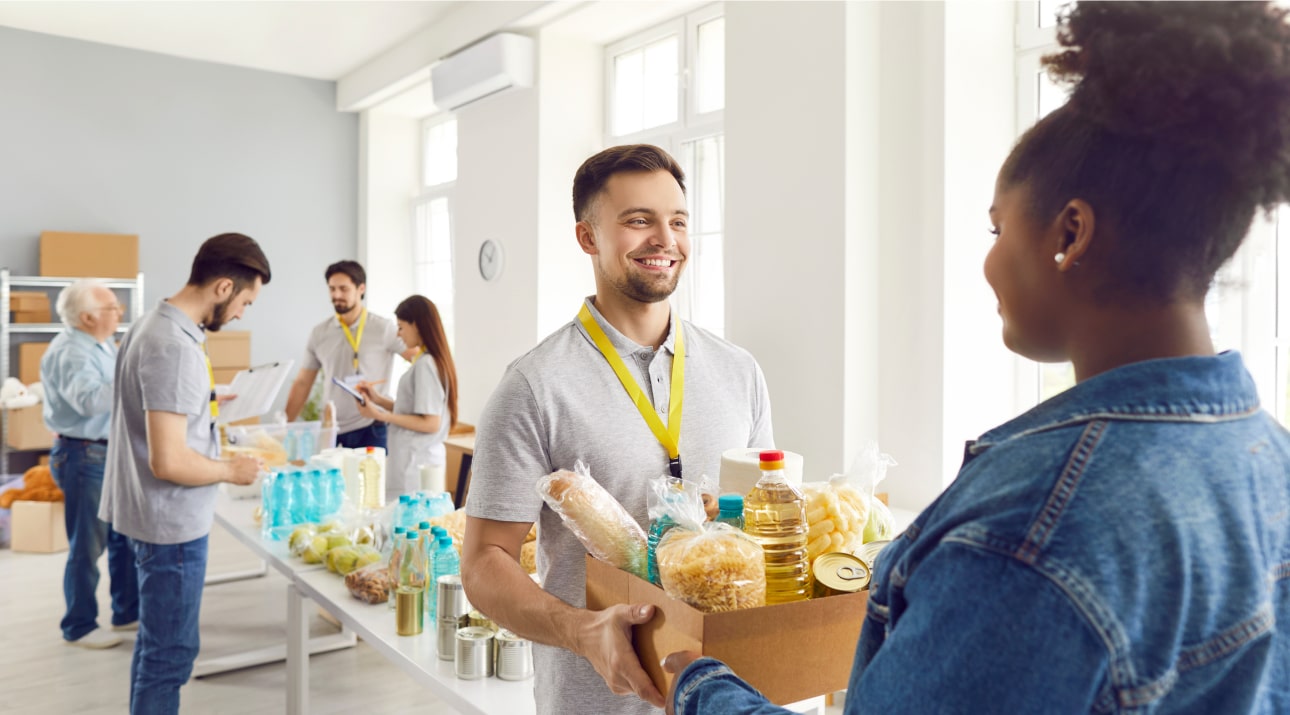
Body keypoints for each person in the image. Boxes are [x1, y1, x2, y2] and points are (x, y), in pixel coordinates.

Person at [663, 3, 1290, 714]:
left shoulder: (1027, 530)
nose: (989, 261)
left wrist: (697, 682)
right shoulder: (1272, 461)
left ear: (1071, 233)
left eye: (997, 227)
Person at [462, 144, 775, 715]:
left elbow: (763, 521)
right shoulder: (534, 385)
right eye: (639, 221)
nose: (665, 239)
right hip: (595, 701)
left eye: (678, 221)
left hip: (732, 695)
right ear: (588, 237)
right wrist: (581, 630)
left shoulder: (740, 371)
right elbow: (484, 563)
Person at [99, 233, 270, 714]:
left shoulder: (154, 323)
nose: (241, 314)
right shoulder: (174, 346)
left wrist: (208, 399)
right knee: (170, 657)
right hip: (170, 527)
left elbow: (156, 408)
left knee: (156, 648)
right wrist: (232, 471)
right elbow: (169, 461)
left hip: (148, 516)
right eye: (244, 301)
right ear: (221, 287)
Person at [40, 278, 138, 649]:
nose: (119, 313)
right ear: (87, 316)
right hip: (85, 455)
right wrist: (137, 377)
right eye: (112, 307)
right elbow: (91, 401)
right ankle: (79, 625)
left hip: (105, 453)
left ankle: (126, 613)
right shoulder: (71, 351)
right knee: (87, 546)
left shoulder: (99, 345)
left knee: (121, 538)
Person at [284, 260, 413, 451]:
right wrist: (284, 426)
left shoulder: (383, 328)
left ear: (361, 288)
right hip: (333, 428)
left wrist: (416, 407)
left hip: (372, 426)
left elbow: (420, 360)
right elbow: (303, 383)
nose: (336, 295)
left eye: (343, 289)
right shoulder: (319, 333)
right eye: (332, 289)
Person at [354, 294, 458, 499]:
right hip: (415, 461)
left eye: (401, 327)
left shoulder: (426, 365)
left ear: (417, 325)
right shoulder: (427, 362)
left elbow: (430, 423)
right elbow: (414, 411)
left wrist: (381, 415)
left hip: (415, 465)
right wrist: (378, 400)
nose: (398, 335)